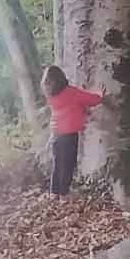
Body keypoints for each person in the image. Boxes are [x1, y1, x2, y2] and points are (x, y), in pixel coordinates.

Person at [42, 65, 102, 196]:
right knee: (68, 164)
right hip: (69, 134)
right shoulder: (71, 92)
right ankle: (64, 194)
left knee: (58, 163)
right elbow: (91, 99)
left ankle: (54, 192)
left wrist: (82, 110)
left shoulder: (50, 95)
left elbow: (71, 106)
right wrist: (101, 96)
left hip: (55, 133)